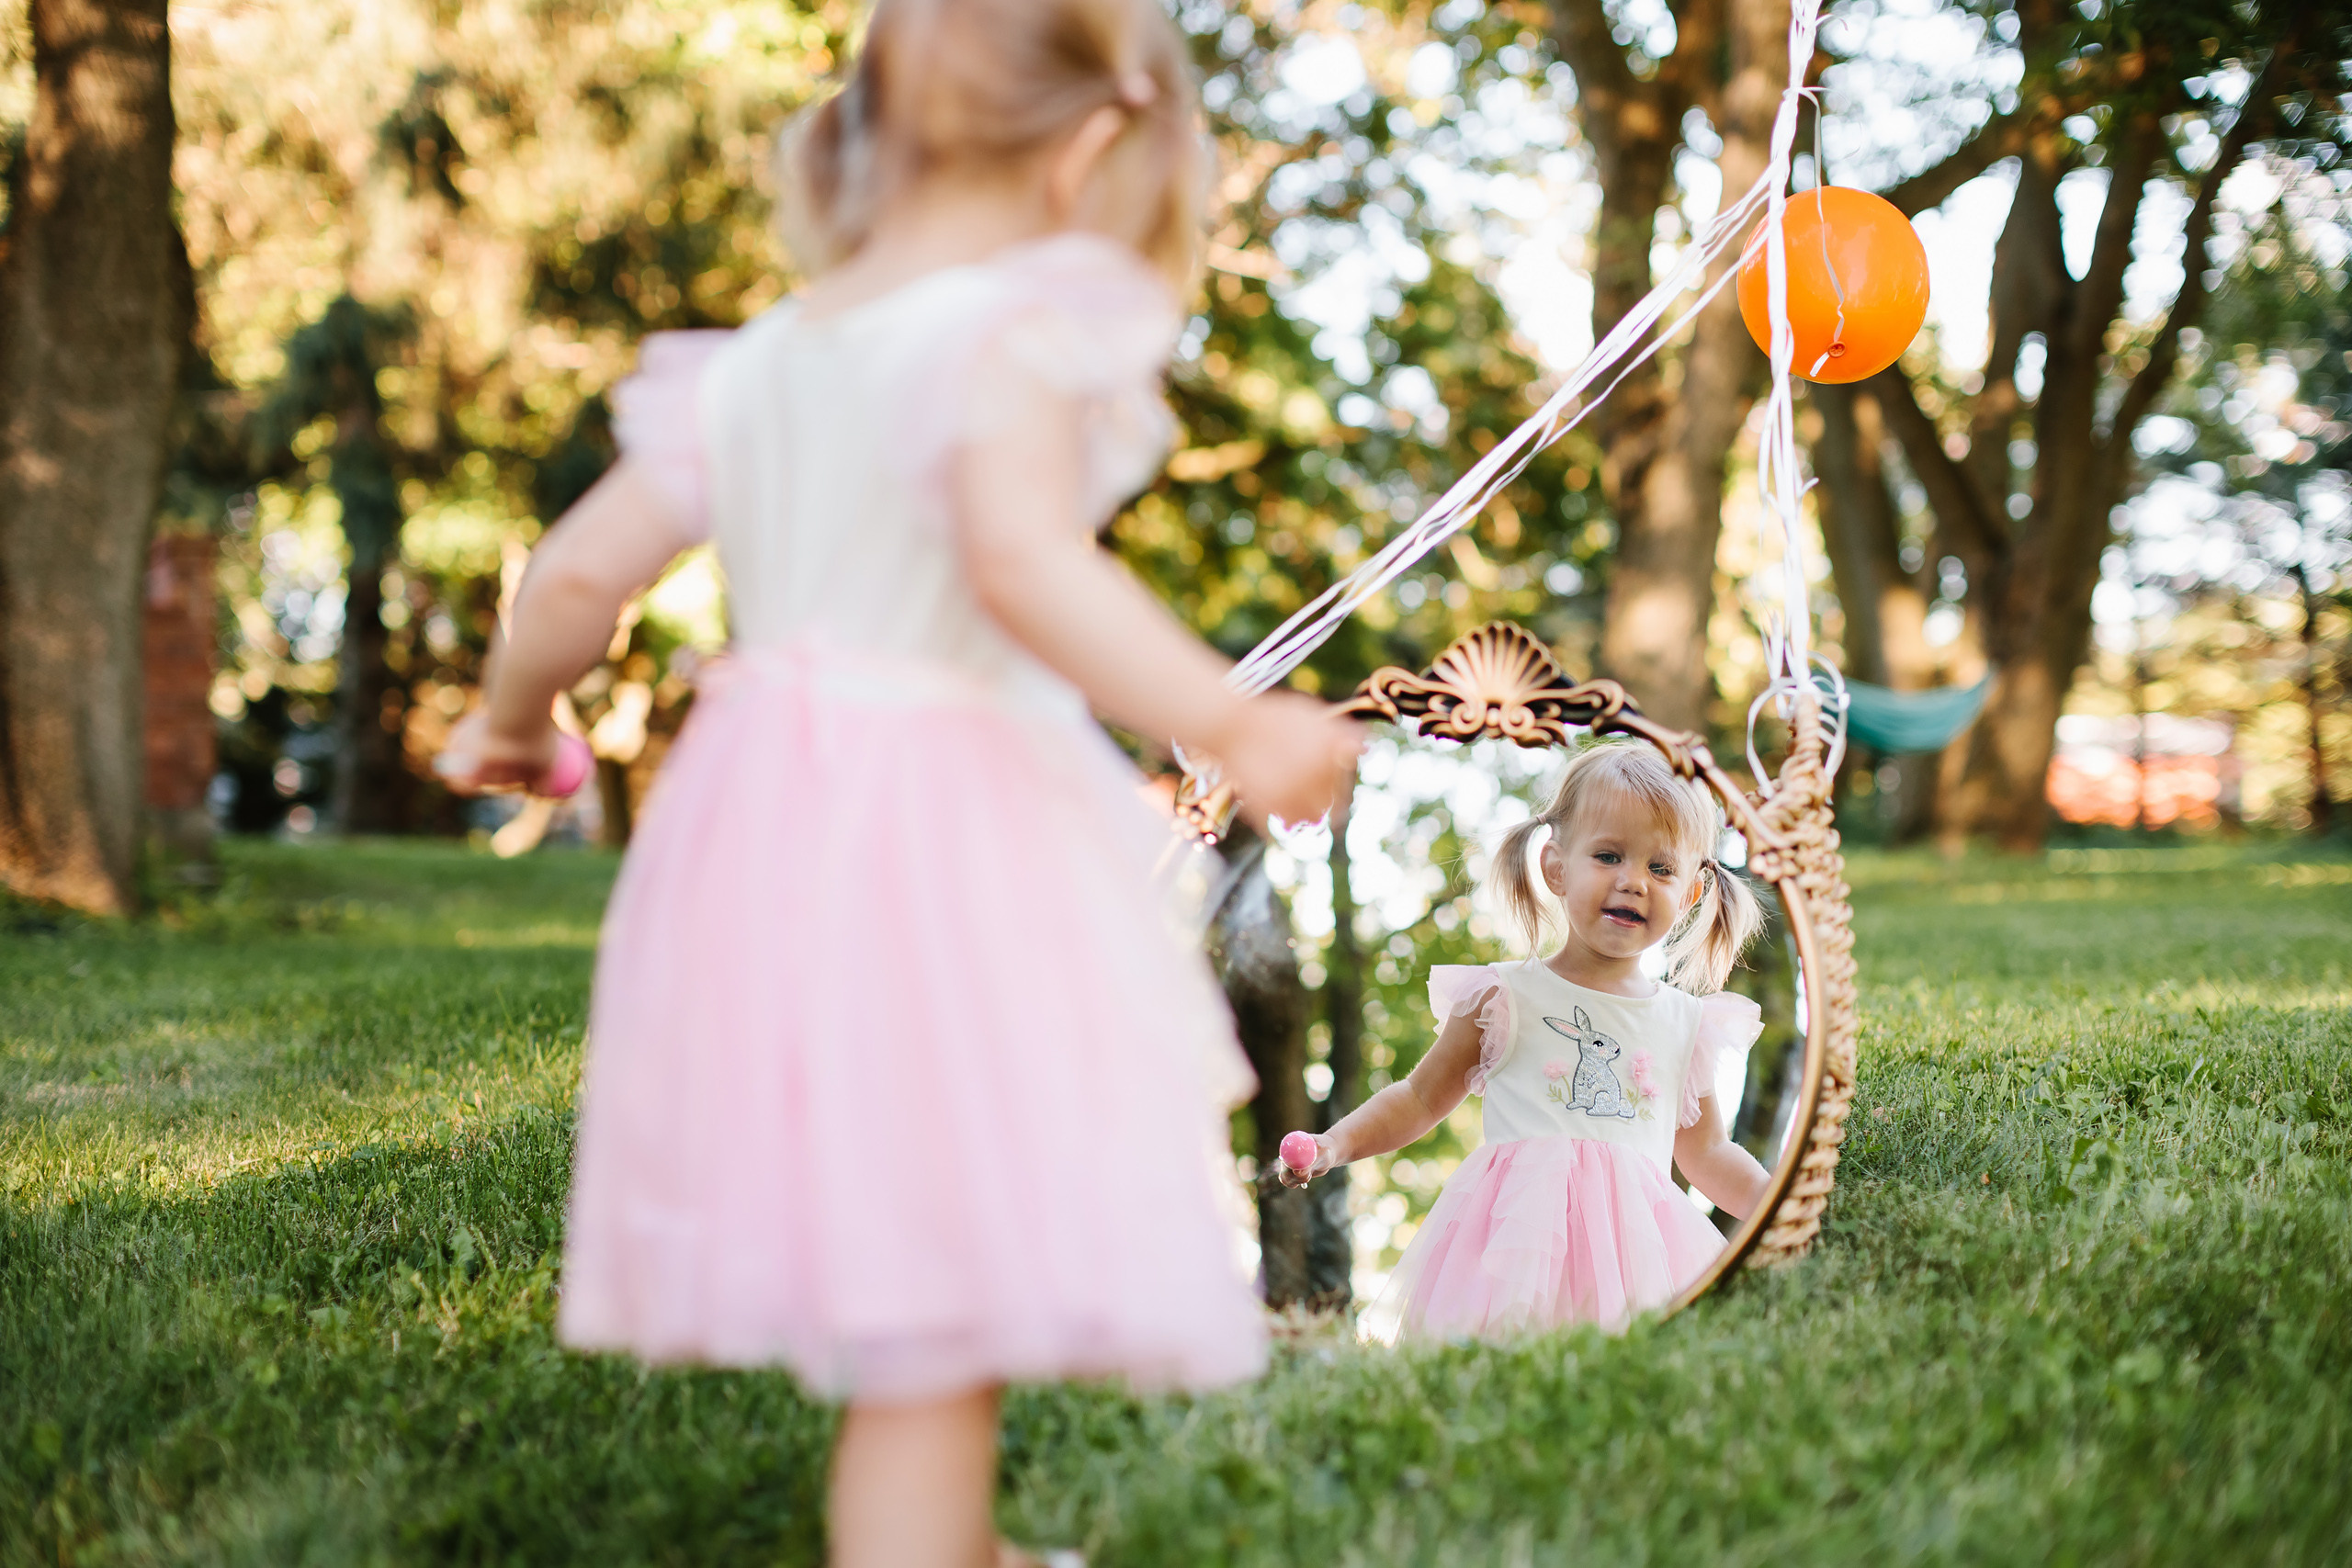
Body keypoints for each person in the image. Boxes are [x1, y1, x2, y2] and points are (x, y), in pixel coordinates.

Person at [437, 0, 1361, 1561]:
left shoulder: (761, 363)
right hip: (942, 833)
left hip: (760, 839)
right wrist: (1233, 717)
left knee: (885, 1209)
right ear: (1092, 139)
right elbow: (1016, 560)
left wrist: (510, 719)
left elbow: (579, 575)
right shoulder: (1003, 334)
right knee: (941, 1296)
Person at [1281, 741, 1770, 1340]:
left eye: (1660, 868)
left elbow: (1708, 1154)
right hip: (1511, 1245)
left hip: (1636, 1249)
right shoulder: (1503, 997)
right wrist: (1334, 1144)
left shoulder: (1683, 1023)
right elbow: (1417, 1098)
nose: (1633, 881)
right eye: (1609, 854)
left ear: (1692, 892)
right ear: (1556, 867)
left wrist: (1779, 1204)